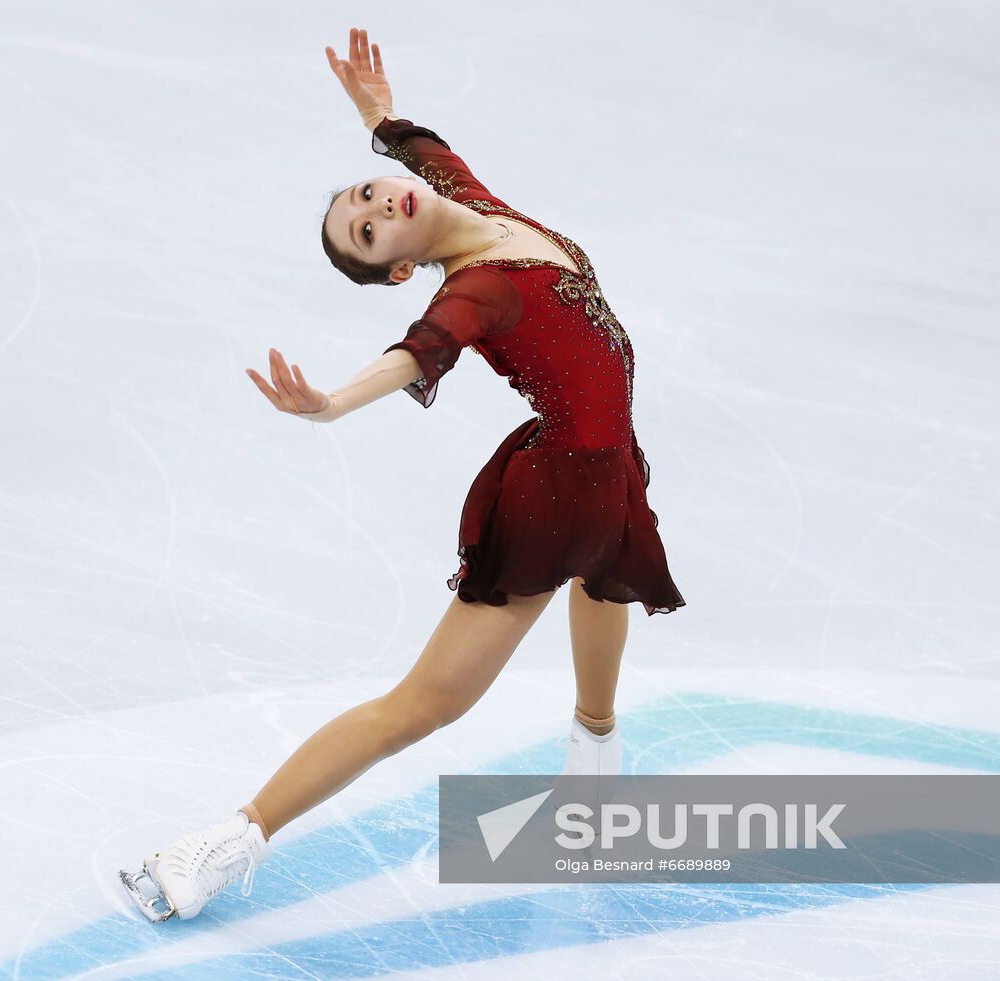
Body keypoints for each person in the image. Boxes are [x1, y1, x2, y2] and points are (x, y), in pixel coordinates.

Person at [118, 26, 686, 924]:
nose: (376, 205)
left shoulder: (476, 203)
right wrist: (335, 402)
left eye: (362, 200)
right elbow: (419, 354)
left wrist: (380, 117)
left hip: (605, 465)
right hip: (558, 490)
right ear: (403, 269)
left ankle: (596, 770)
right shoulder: (474, 288)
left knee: (607, 576)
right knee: (424, 706)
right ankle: (221, 846)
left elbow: (427, 155)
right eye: (369, 232)